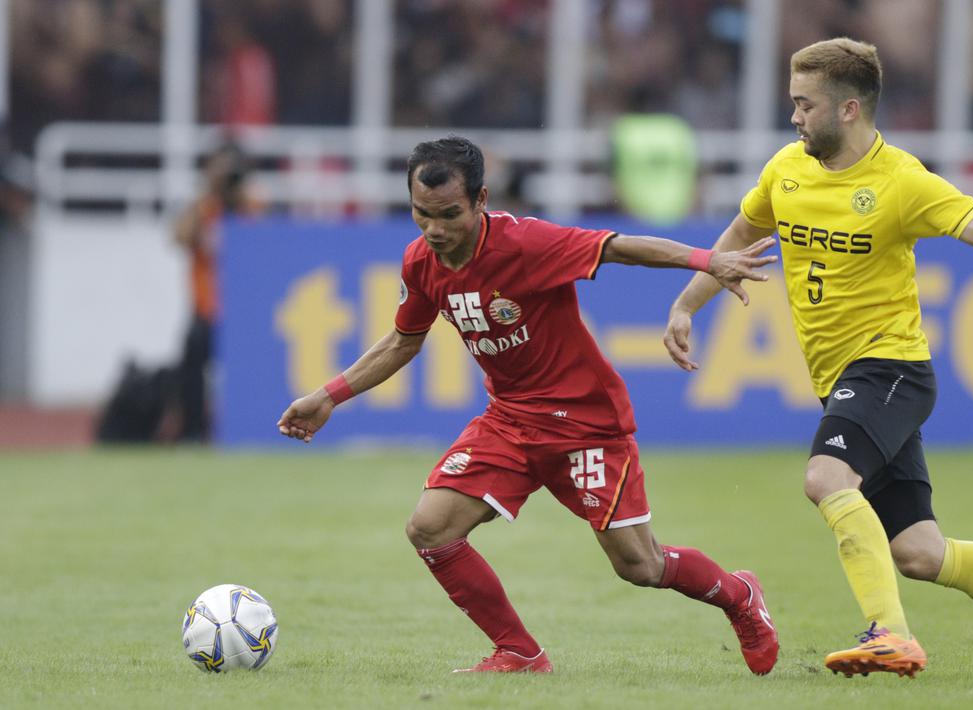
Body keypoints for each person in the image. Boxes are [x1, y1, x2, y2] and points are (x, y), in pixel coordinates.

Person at [663, 38, 973, 678]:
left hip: (891, 369)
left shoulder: (901, 181)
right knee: (919, 552)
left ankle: (890, 634)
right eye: (792, 103)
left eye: (805, 105)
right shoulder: (786, 171)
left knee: (826, 479)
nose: (795, 117)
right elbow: (739, 239)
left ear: (849, 109)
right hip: (844, 380)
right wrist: (689, 305)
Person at [277, 136, 780, 675]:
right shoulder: (421, 261)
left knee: (640, 565)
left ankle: (739, 595)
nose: (435, 229)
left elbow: (618, 246)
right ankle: (519, 652)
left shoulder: (527, 243)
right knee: (430, 528)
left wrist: (708, 260)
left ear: (480, 200)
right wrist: (328, 396)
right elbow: (404, 340)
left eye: (449, 214)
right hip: (510, 419)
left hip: (585, 422)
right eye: (422, 214)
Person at [173, 141, 258, 441]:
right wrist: (208, 194)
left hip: (243, 308)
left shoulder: (252, 206)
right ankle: (194, 430)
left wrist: (238, 198)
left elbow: (269, 241)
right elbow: (179, 237)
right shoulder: (204, 208)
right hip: (208, 306)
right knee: (192, 364)